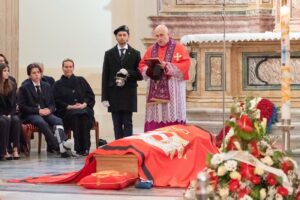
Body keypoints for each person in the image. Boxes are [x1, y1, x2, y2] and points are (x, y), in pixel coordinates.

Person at [139, 24, 190, 132]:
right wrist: (149, 68)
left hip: (173, 92)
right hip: (154, 92)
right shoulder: (150, 49)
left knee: (171, 117)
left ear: (169, 34)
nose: (159, 38)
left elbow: (185, 65)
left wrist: (166, 66)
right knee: (156, 117)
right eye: (157, 36)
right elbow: (141, 66)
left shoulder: (179, 48)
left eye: (161, 35)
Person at [18, 63, 73, 158]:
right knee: (41, 122)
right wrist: (38, 111)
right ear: (29, 75)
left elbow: (52, 103)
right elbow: (22, 107)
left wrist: (50, 110)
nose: (37, 75)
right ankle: (59, 146)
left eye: (38, 72)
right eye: (34, 73)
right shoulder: (24, 88)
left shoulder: (47, 86)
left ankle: (62, 145)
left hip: (46, 112)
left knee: (58, 120)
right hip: (31, 114)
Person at [101, 25, 142, 140]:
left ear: (128, 37)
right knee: (117, 124)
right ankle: (118, 147)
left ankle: (127, 147)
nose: (122, 37)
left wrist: (128, 72)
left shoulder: (135, 53)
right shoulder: (109, 54)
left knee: (128, 122)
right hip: (114, 94)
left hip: (128, 94)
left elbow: (140, 75)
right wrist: (104, 97)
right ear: (116, 37)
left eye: (124, 35)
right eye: (120, 35)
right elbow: (105, 75)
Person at [53, 59, 95, 156]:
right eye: (66, 67)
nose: (68, 69)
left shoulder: (81, 80)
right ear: (62, 68)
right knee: (76, 117)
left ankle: (85, 148)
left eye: (70, 67)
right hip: (68, 111)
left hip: (84, 109)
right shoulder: (57, 84)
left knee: (84, 116)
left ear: (73, 68)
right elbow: (56, 101)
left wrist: (84, 104)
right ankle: (78, 148)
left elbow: (90, 96)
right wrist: (69, 106)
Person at [0, 63, 21, 160]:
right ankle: (4, 151)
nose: (7, 73)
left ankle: (15, 149)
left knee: (16, 119)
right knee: (4, 121)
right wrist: (4, 115)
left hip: (9, 113)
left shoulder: (11, 85)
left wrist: (10, 114)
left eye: (8, 70)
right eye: (4, 71)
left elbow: (13, 104)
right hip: (1, 114)